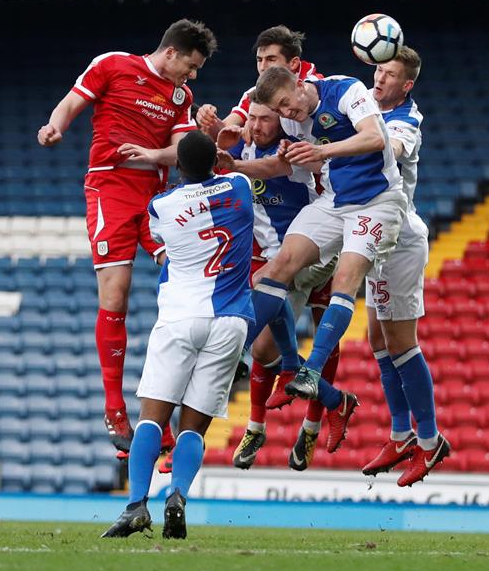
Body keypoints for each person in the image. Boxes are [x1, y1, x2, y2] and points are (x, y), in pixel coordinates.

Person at [37, 19, 217, 456]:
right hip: (111, 189)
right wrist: (54, 126)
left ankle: (161, 415)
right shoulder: (113, 65)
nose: (191, 76)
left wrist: (174, 145)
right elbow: (71, 102)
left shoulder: (182, 97)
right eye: (190, 66)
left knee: (184, 286)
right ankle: (115, 408)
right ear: (171, 53)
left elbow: (178, 152)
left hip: (156, 199)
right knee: (115, 293)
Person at [237, 66, 408, 454]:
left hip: (378, 201)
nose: (287, 114)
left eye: (286, 103)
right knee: (277, 268)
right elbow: (310, 166)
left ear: (300, 86)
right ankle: (235, 349)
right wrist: (292, 156)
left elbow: (375, 137)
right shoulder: (293, 123)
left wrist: (322, 150)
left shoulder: (346, 90)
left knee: (346, 278)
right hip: (335, 201)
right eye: (278, 110)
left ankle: (311, 371)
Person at [102, 131, 254, 539]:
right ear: (215, 161)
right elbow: (232, 168)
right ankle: (178, 496)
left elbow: (156, 237)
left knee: (152, 418)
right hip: (231, 320)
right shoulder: (239, 188)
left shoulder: (162, 206)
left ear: (179, 167)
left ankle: (136, 505)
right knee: (193, 428)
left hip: (180, 316)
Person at [216, 102, 339, 471]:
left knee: (325, 340)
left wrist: (232, 163)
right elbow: (212, 162)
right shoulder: (241, 142)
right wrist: (211, 132)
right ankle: (257, 426)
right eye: (251, 117)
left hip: (315, 251)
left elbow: (275, 167)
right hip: (272, 256)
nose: (255, 125)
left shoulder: (294, 144)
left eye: (264, 118)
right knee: (264, 347)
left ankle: (312, 425)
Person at [358, 47, 450, 487]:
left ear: (406, 84)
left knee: (400, 342)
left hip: (399, 239)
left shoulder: (406, 120)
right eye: (377, 69)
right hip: (375, 237)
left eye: (390, 74)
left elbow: (389, 145)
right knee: (375, 336)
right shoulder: (364, 105)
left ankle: (430, 443)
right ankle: (400, 433)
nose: (379, 79)